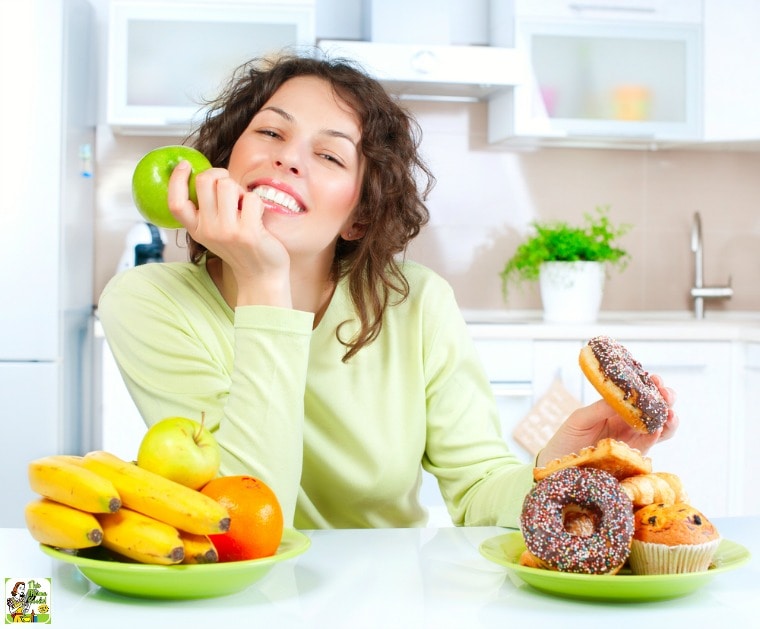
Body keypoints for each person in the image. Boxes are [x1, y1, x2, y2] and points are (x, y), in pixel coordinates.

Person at [98, 52, 678, 529]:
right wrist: (262, 281)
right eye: (270, 131)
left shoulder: (417, 303)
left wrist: (557, 468)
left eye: (328, 154)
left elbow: (477, 489)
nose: (287, 157)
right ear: (219, 167)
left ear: (357, 217)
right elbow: (247, 516)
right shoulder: (147, 302)